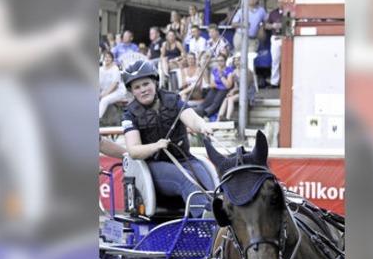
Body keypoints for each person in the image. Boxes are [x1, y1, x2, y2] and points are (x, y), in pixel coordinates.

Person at [120, 60, 215, 217]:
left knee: (211, 189)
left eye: (146, 84)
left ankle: (220, 230)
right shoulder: (129, 114)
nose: (143, 90)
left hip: (185, 160)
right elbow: (134, 150)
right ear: (132, 91)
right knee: (188, 181)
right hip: (153, 167)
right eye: (137, 87)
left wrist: (202, 126)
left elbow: (193, 119)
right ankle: (206, 228)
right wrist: (155, 146)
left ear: (155, 82)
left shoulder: (174, 100)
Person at [217, 54, 256, 121]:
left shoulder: (248, 71)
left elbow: (246, 86)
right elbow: (236, 86)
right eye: (235, 61)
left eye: (238, 60)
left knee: (231, 99)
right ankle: (218, 119)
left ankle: (228, 118)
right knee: (226, 98)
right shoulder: (234, 72)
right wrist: (232, 91)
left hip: (248, 92)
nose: (236, 62)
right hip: (240, 92)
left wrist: (234, 92)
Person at [99, 51, 128, 119]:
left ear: (112, 59)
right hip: (106, 91)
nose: (107, 59)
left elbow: (115, 85)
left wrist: (104, 94)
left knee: (104, 100)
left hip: (118, 91)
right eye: (105, 57)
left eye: (109, 57)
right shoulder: (100, 69)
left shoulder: (115, 69)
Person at [265, 0, 285, 88]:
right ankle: (274, 82)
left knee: (286, 61)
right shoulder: (273, 13)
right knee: (275, 61)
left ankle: (285, 82)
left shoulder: (289, 11)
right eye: (279, 1)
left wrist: (283, 25)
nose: (281, 3)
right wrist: (273, 25)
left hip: (286, 38)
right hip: (276, 38)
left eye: (282, 1)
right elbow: (266, 25)